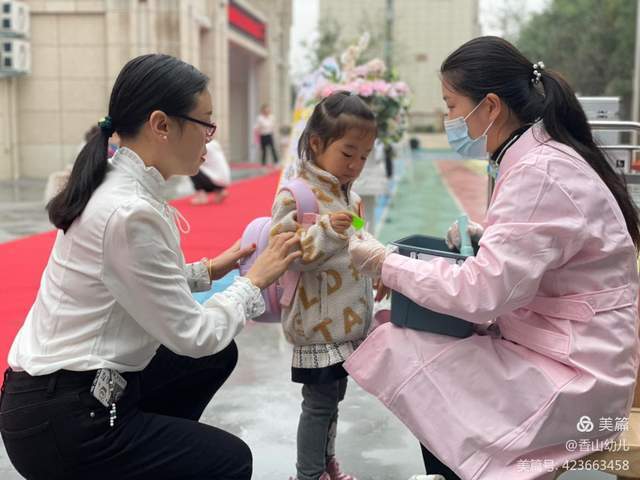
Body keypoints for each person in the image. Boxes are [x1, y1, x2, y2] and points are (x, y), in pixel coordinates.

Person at [346, 36, 640, 480]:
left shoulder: (538, 171)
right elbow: (544, 247)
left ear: (489, 107)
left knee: (401, 346)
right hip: (570, 347)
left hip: (580, 378)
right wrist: (488, 238)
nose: (448, 119)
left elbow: (481, 293)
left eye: (450, 106)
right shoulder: (537, 157)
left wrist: (383, 261)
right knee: (416, 347)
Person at [0, 53, 301, 480]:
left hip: (49, 402)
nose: (209, 140)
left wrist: (208, 270)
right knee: (229, 460)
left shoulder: (114, 184)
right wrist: (255, 281)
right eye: (205, 124)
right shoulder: (129, 211)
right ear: (161, 125)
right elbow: (194, 335)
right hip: (64, 423)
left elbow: (125, 283)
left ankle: (146, 454)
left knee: (212, 361)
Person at [270, 91, 376, 480]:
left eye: (364, 156)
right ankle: (309, 473)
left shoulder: (352, 198)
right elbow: (286, 253)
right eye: (348, 153)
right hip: (316, 324)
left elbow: (364, 238)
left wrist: (381, 266)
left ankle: (327, 462)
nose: (355, 165)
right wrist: (326, 231)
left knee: (333, 400)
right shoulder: (296, 195)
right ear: (317, 143)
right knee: (317, 405)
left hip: (347, 325)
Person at [190, 139, 231, 205]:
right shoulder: (214, 143)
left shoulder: (203, 145)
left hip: (214, 180)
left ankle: (201, 196)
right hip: (224, 181)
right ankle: (219, 191)